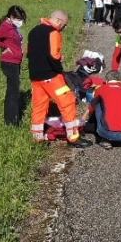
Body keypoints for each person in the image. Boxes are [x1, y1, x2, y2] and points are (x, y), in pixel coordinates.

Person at [26, 10, 84, 146]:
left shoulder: (33, 31)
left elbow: (29, 53)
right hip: (51, 76)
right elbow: (53, 56)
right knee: (68, 102)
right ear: (58, 21)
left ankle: (37, 137)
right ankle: (73, 137)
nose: (63, 29)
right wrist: (60, 70)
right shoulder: (53, 33)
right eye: (64, 26)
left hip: (35, 77)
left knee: (39, 106)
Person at [0, 5, 27, 126]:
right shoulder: (6, 26)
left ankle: (12, 119)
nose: (21, 22)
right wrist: (5, 47)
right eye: (19, 19)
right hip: (9, 62)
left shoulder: (13, 27)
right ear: (11, 17)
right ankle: (11, 121)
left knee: (14, 90)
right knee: (13, 92)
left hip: (15, 62)